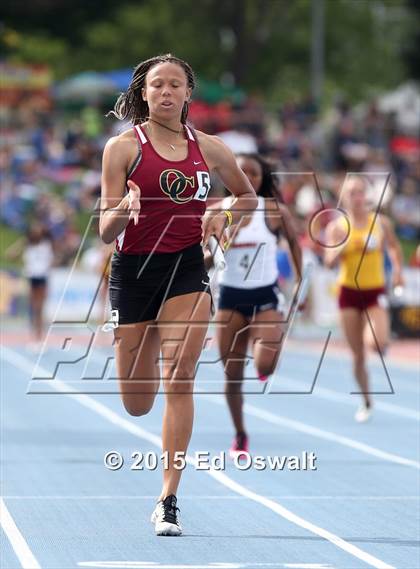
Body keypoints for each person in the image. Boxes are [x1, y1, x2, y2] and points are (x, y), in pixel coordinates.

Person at [99, 54, 257, 536]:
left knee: (181, 377)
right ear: (143, 94)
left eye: (175, 85)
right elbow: (106, 231)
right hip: (134, 273)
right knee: (137, 402)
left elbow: (248, 197)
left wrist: (225, 215)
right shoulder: (122, 149)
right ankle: (132, 345)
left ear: (189, 93)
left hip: (188, 269)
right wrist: (126, 208)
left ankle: (169, 497)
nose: (166, 92)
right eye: (157, 85)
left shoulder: (211, 149)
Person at [213, 153, 302, 458]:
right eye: (241, 172)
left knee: (264, 365)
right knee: (232, 376)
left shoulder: (274, 211)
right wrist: (222, 241)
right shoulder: (217, 211)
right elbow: (201, 257)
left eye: (253, 173)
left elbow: (294, 243)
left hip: (264, 295)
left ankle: (269, 349)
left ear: (262, 177)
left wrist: (301, 279)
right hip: (230, 298)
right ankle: (239, 433)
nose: (248, 178)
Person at [324, 177, 404, 422]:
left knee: (377, 344)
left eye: (361, 192)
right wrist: (345, 245)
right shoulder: (338, 227)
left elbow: (393, 247)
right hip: (348, 293)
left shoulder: (380, 222)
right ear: (345, 197)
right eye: (352, 192)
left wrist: (398, 272)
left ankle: (382, 341)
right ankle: (366, 399)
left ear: (366, 195)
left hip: (374, 291)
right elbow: (328, 262)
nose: (357, 197)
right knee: (357, 355)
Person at [6, 222, 54, 345]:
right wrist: (22, 242)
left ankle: (39, 335)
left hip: (42, 278)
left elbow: (51, 261)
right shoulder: (27, 245)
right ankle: (34, 334)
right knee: (33, 307)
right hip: (31, 278)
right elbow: (10, 254)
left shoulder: (46, 245)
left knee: (40, 308)